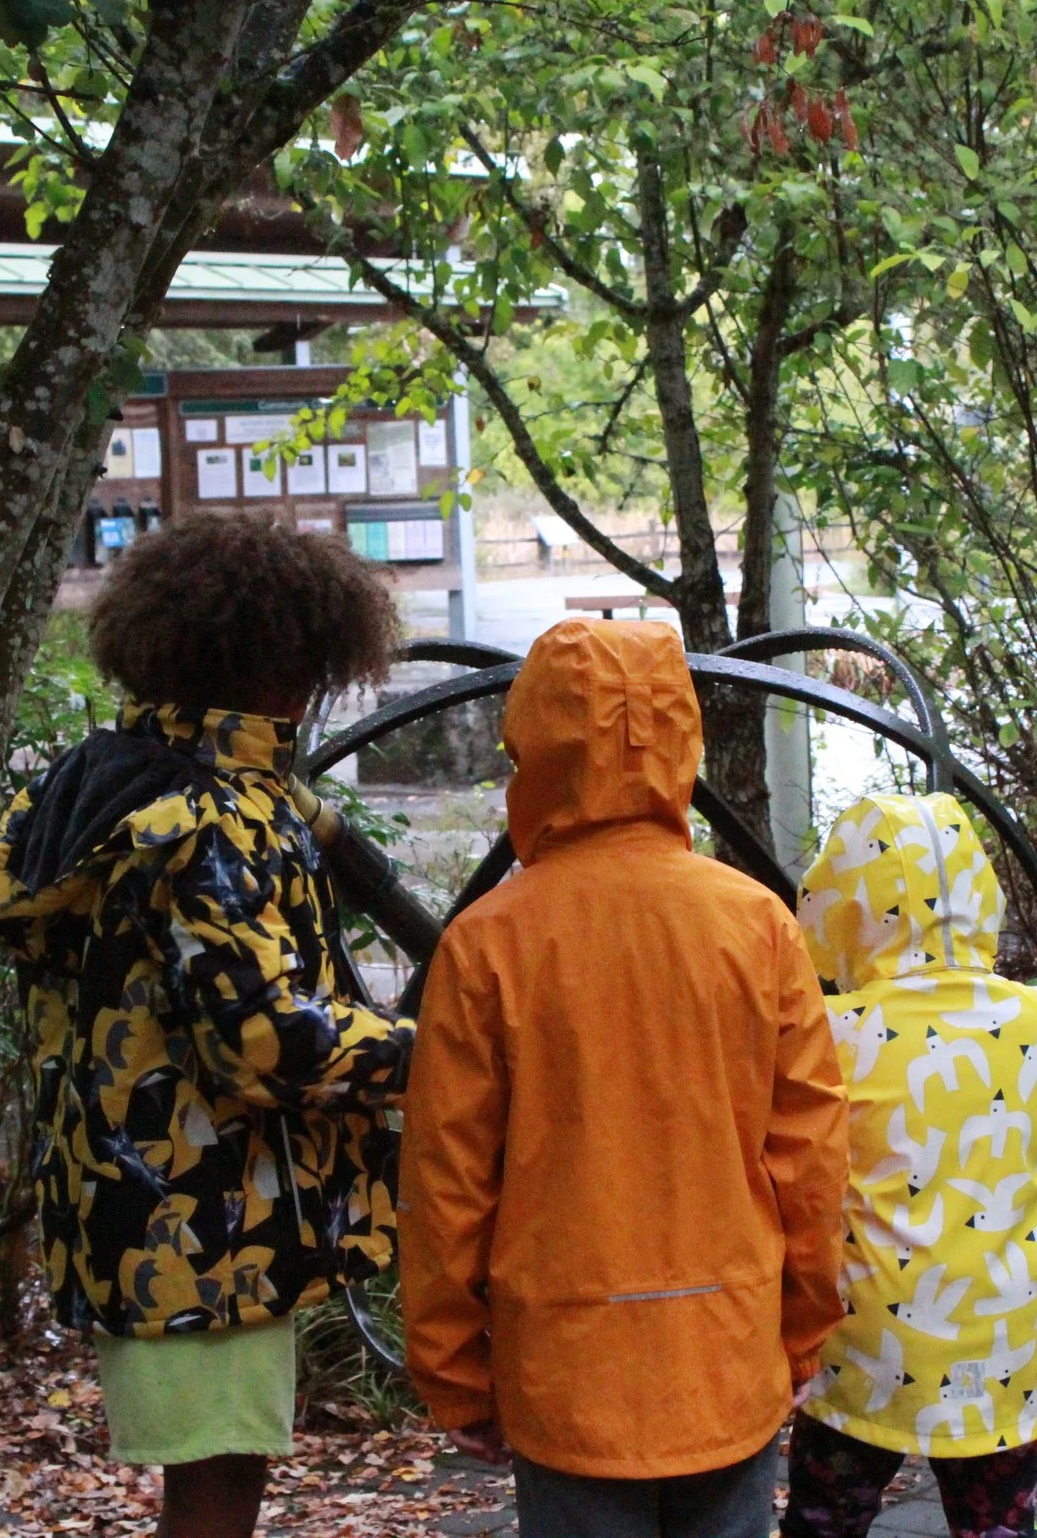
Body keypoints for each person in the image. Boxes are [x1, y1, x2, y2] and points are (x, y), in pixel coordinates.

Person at [0, 514, 413, 1538]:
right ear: (286, 668)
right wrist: (428, 1050)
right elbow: (264, 1040)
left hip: (131, 1202)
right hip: (212, 1219)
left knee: (211, 1477)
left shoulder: (96, 781)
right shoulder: (210, 820)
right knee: (216, 1487)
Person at [399, 617, 851, 1538]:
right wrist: (803, 1327)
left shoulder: (489, 942)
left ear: (536, 746)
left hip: (568, 1369)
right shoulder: (756, 926)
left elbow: (445, 1181)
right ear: (681, 738)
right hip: (723, 1350)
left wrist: (453, 1369)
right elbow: (809, 1150)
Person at [781, 792, 1037, 1538]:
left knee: (826, 1518)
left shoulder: (838, 1032)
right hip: (1003, 1339)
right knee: (999, 1525)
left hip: (870, 1343)